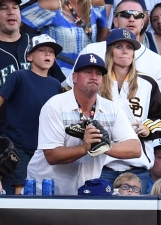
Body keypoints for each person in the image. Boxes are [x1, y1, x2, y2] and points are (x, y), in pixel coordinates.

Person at [27, 53, 141, 196]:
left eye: (98, 73)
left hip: (84, 192)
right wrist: (85, 147)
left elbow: (135, 148)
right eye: (88, 72)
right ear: (74, 77)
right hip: (45, 191)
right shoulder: (54, 105)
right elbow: (52, 155)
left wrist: (103, 145)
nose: (94, 77)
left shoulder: (112, 109)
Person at [97, 28, 161, 185]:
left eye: (129, 47)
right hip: (101, 167)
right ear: (110, 51)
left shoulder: (147, 83)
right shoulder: (96, 81)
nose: (125, 51)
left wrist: (147, 128)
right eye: (119, 47)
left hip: (136, 168)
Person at [21, 0, 108, 75]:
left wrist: (98, 55)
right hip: (59, 74)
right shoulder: (51, 5)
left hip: (90, 71)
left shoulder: (95, 1)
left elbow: (104, 30)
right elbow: (15, 23)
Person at [0, 35, 62, 193]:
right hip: (17, 145)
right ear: (29, 56)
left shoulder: (56, 85)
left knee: (44, 189)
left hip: (44, 148)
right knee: (21, 188)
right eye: (41, 50)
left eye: (51, 52)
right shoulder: (18, 76)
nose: (47, 54)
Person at [80, 0, 161, 100]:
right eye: (125, 14)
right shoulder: (91, 51)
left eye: (138, 15)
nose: (132, 19)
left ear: (142, 23)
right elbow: (73, 89)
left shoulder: (158, 62)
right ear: (115, 21)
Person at [0, 0, 66, 128]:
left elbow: (61, 85)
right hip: (5, 132)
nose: (11, 12)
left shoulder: (39, 44)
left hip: (42, 128)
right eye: (3, 8)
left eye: (15, 8)